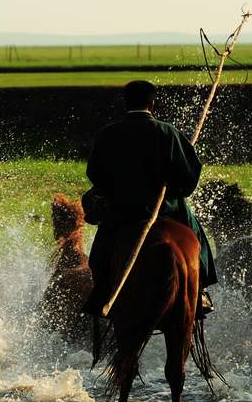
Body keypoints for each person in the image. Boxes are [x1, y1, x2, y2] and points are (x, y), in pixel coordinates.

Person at [82, 80, 217, 318]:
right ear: (153, 104)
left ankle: (101, 292)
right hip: (166, 209)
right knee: (197, 240)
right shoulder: (168, 132)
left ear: (126, 103)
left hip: (122, 212)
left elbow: (95, 175)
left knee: (100, 253)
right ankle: (201, 292)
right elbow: (188, 180)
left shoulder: (108, 134)